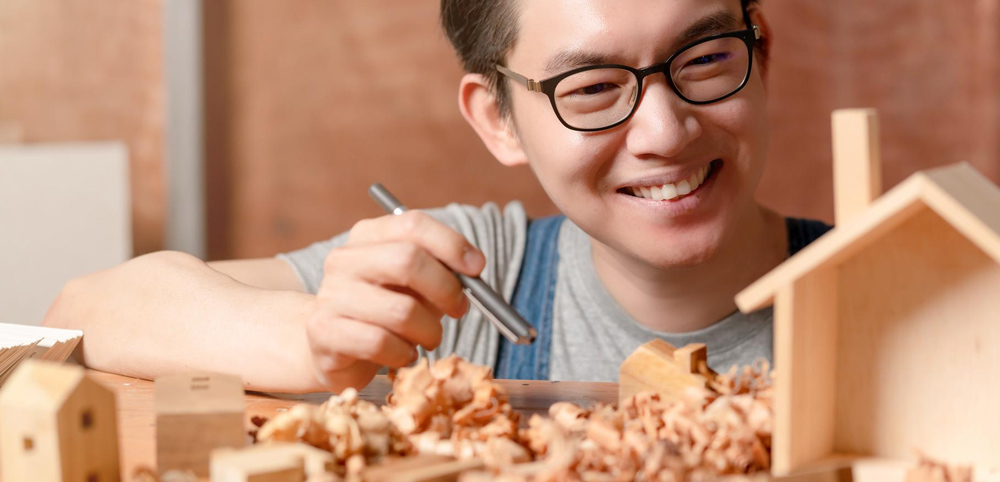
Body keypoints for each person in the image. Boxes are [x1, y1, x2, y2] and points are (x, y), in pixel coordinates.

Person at [44, 0, 830, 393]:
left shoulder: (893, 287)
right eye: (591, 87)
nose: (664, 130)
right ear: (500, 122)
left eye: (703, 57)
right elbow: (81, 313)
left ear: (762, 51)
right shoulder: (469, 289)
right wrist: (312, 335)